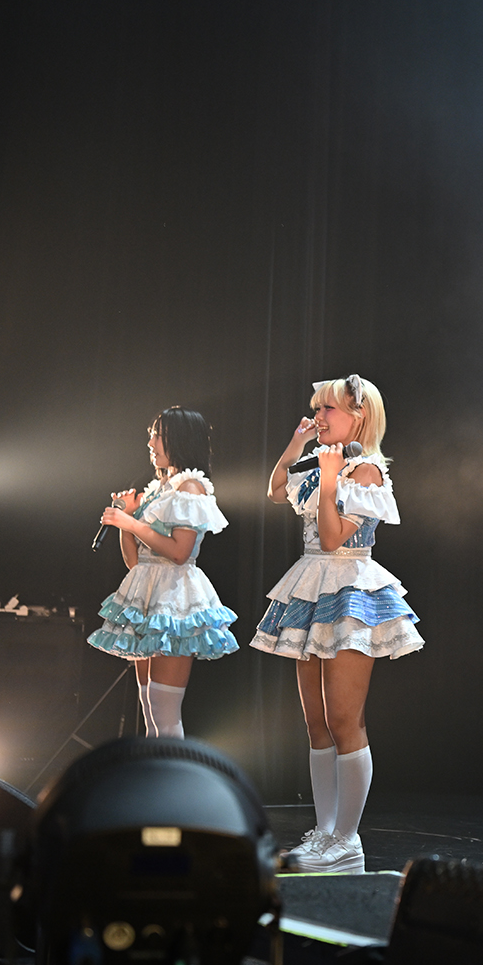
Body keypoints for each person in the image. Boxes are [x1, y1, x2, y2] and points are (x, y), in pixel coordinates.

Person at [254, 374, 421, 874]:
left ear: (358, 415)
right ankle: (325, 833)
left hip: (349, 590)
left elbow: (331, 539)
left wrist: (330, 480)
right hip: (312, 586)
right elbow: (275, 488)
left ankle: (347, 840)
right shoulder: (322, 461)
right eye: (316, 408)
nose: (318, 416)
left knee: (345, 720)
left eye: (327, 409)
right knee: (316, 723)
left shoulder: (365, 471)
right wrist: (298, 443)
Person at [88, 406, 239, 737]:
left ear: (181, 439)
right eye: (151, 435)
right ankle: (155, 766)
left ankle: (172, 769)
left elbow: (180, 553)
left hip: (174, 598)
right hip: (147, 594)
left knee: (163, 708)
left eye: (158, 435)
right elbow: (135, 563)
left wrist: (131, 523)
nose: (151, 443)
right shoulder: (159, 488)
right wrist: (126, 522)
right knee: (148, 705)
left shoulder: (191, 488)